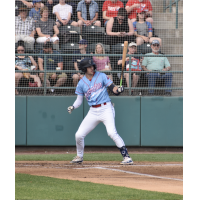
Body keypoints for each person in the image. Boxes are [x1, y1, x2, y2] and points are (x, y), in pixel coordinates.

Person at [68, 58, 133, 165]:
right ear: (84, 69)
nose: (91, 68)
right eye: (89, 67)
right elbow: (79, 101)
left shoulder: (101, 76)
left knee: (111, 132)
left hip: (106, 108)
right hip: (93, 111)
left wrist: (119, 90)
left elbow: (113, 89)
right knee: (79, 135)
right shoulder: (81, 83)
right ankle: (79, 156)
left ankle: (127, 157)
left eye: (92, 66)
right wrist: (73, 107)